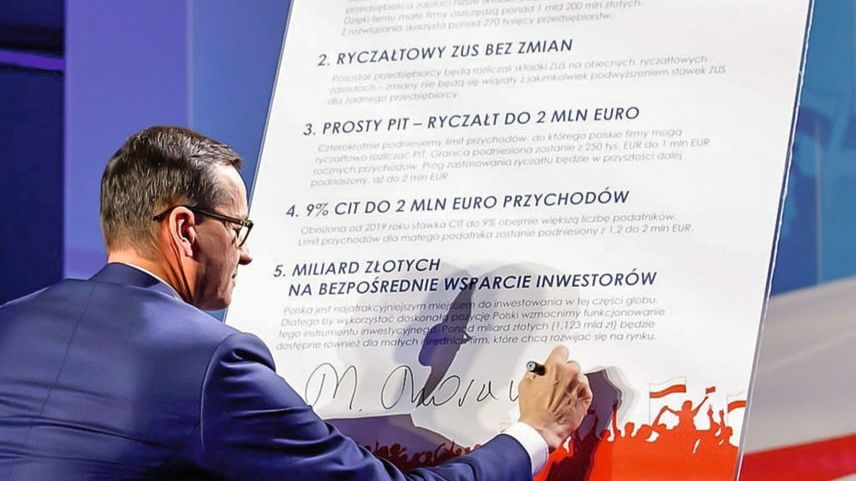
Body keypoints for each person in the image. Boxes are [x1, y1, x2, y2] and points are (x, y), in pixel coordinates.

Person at [0, 126, 593, 481]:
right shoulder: (212, 363)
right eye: (237, 229)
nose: (245, 254)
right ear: (184, 229)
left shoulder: (11, 323)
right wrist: (534, 432)